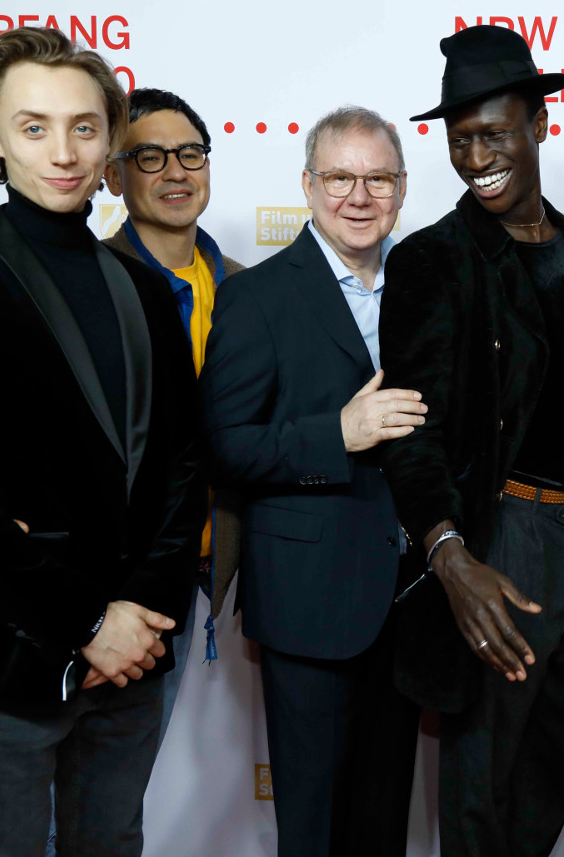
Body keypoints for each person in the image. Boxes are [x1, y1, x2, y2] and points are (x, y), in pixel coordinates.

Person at [0, 26, 206, 857]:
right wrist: (89, 621)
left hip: (135, 660)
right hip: (12, 656)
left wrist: (138, 620)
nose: (63, 151)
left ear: (109, 137)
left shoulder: (144, 288)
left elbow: (181, 468)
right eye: (34, 127)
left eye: (84, 127)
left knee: (112, 843)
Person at [380, 25, 564, 857]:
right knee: (481, 794)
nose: (476, 157)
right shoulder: (432, 260)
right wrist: (451, 558)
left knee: (554, 770)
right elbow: (410, 433)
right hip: (500, 541)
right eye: (460, 140)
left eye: (494, 134)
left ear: (539, 125)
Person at [198, 106, 422, 857]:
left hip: (410, 598)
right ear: (307, 185)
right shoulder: (256, 297)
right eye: (338, 177)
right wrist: (337, 433)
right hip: (308, 598)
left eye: (378, 179)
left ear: (401, 188)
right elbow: (224, 446)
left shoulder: (426, 285)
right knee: (313, 822)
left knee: (383, 820)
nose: (359, 196)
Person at [102, 86, 245, 739]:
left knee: (123, 775)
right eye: (150, 156)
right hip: (112, 587)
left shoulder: (245, 287)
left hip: (206, 570)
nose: (176, 172)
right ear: (113, 175)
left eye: (190, 153)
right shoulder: (92, 285)